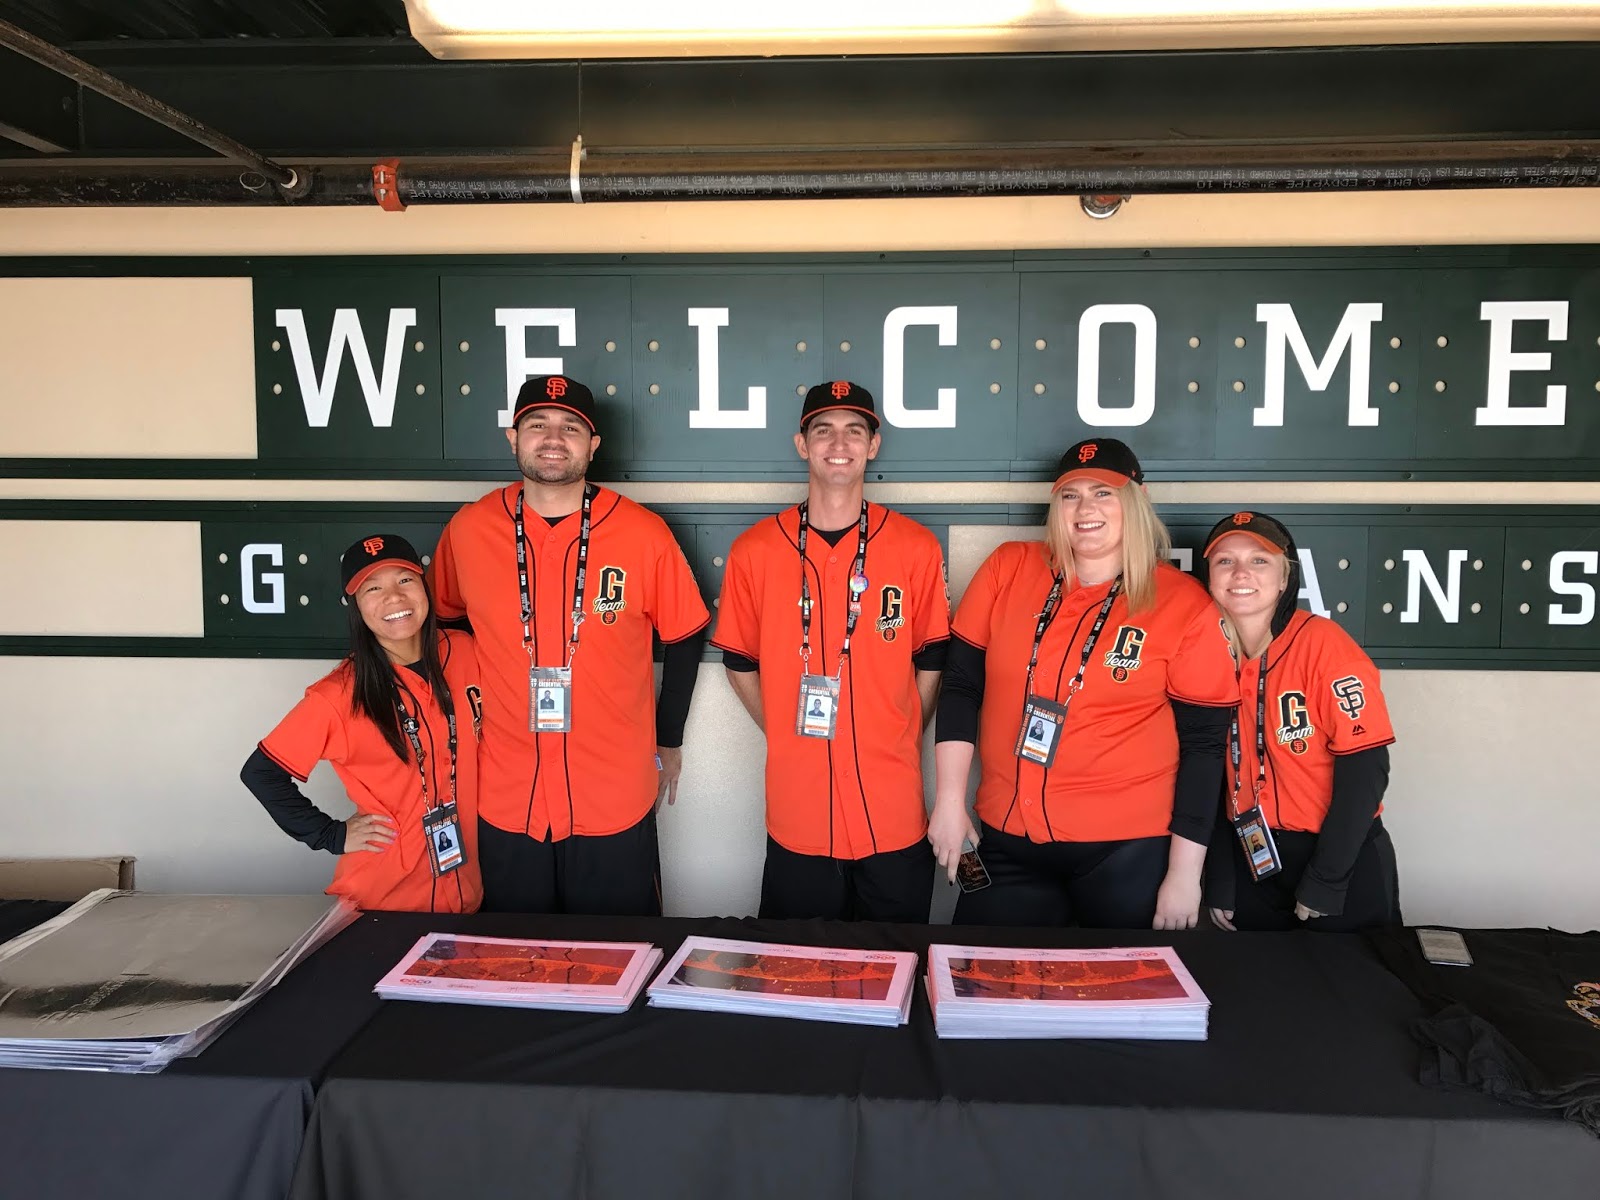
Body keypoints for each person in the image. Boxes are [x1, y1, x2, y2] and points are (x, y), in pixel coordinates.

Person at [429, 374, 709, 915]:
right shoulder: (469, 528)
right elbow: (445, 626)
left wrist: (668, 738)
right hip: (507, 790)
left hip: (612, 790)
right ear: (513, 437)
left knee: (621, 951)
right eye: (538, 425)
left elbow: (684, 634)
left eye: (571, 428)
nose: (553, 439)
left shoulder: (643, 531)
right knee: (515, 955)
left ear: (593, 444)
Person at [929, 438, 1238, 929]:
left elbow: (1204, 747)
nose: (1085, 509)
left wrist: (1184, 874)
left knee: (1123, 978)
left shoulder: (1184, 603)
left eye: (1103, 493)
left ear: (1135, 500)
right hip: (1010, 838)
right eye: (1071, 495)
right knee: (982, 971)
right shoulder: (1010, 567)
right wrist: (949, 802)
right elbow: (962, 686)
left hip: (1127, 851)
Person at [714, 381, 950, 922]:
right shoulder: (755, 549)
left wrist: (901, 728)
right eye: (823, 431)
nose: (838, 444)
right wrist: (785, 729)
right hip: (799, 810)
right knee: (797, 963)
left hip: (892, 809)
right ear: (802, 444)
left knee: (896, 960)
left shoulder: (915, 546)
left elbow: (933, 657)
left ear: (873, 445)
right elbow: (739, 662)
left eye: (854, 431)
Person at [241, 534, 483, 913]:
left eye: (405, 579)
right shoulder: (338, 694)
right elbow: (261, 773)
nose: (394, 597)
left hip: (469, 892)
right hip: (380, 902)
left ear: (424, 587)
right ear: (354, 606)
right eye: (373, 588)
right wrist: (332, 835)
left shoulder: (466, 651)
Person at [1201, 510, 1401, 931]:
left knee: (1348, 973)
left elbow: (1366, 771)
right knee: (1260, 973)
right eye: (1225, 561)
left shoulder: (1325, 645)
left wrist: (1328, 878)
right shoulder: (1205, 652)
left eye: (1259, 560)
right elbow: (1211, 771)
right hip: (1252, 857)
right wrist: (1221, 876)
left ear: (1284, 578)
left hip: (1337, 858)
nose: (1240, 573)